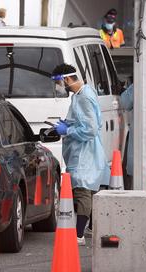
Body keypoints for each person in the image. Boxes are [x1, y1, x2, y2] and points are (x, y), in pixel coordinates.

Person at [51, 63, 110, 245]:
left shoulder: (84, 97)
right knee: (89, 190)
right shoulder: (79, 95)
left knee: (83, 190)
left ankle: (78, 235)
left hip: (85, 152)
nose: (58, 87)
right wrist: (68, 125)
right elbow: (82, 122)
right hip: (83, 151)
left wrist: (68, 131)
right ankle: (89, 229)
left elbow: (90, 129)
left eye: (58, 82)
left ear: (67, 79)